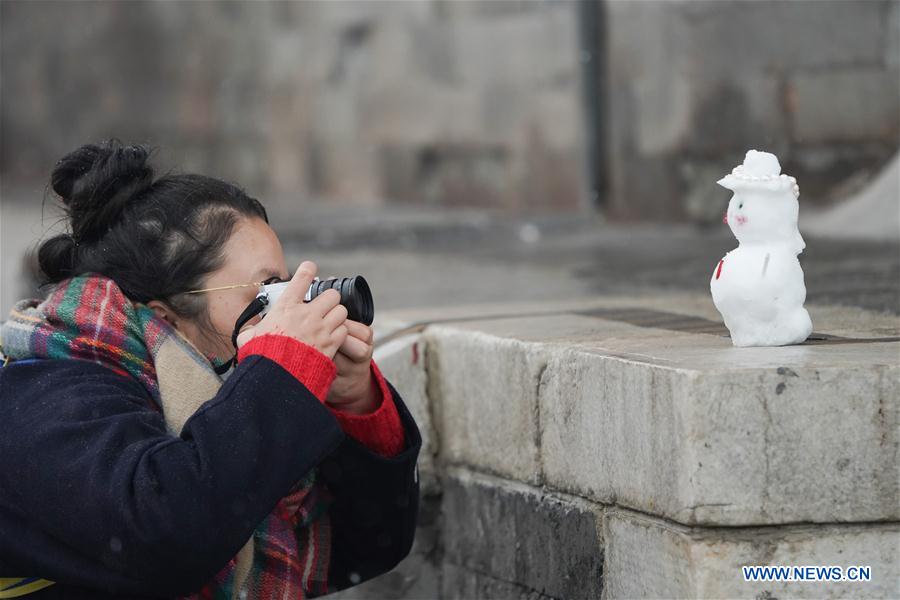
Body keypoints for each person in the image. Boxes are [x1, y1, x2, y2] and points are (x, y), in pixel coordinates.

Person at [0, 140, 421, 599]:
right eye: (265, 290)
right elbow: (165, 535)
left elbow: (363, 552)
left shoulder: (224, 396)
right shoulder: (42, 391)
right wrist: (280, 375)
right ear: (166, 317)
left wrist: (353, 401)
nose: (287, 308)